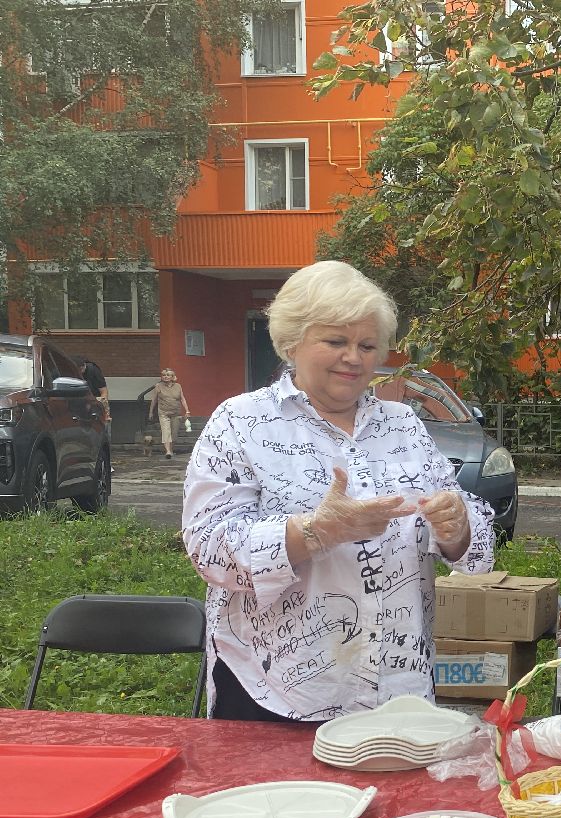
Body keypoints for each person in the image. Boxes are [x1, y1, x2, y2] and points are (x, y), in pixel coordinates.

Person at [182, 260, 496, 722]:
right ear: (292, 342)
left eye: (367, 345)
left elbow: (467, 539)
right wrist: (316, 530)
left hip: (397, 685)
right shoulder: (240, 422)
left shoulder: (404, 426)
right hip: (278, 691)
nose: (355, 357)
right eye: (335, 341)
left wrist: (458, 526)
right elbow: (208, 547)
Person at [149, 367, 191, 458]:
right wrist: (151, 412)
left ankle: (171, 449)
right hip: (163, 413)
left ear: (173, 377)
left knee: (174, 433)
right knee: (166, 432)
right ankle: (168, 451)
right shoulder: (158, 386)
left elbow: (182, 399)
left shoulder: (178, 386)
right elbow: (154, 400)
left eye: (168, 375)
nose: (165, 377)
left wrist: (187, 410)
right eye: (164, 375)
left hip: (176, 413)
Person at [76, 356, 110, 427]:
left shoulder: (93, 371)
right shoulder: (73, 373)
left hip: (95, 400)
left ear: (83, 366)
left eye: (80, 370)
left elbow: (104, 391)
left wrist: (104, 409)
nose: (79, 373)